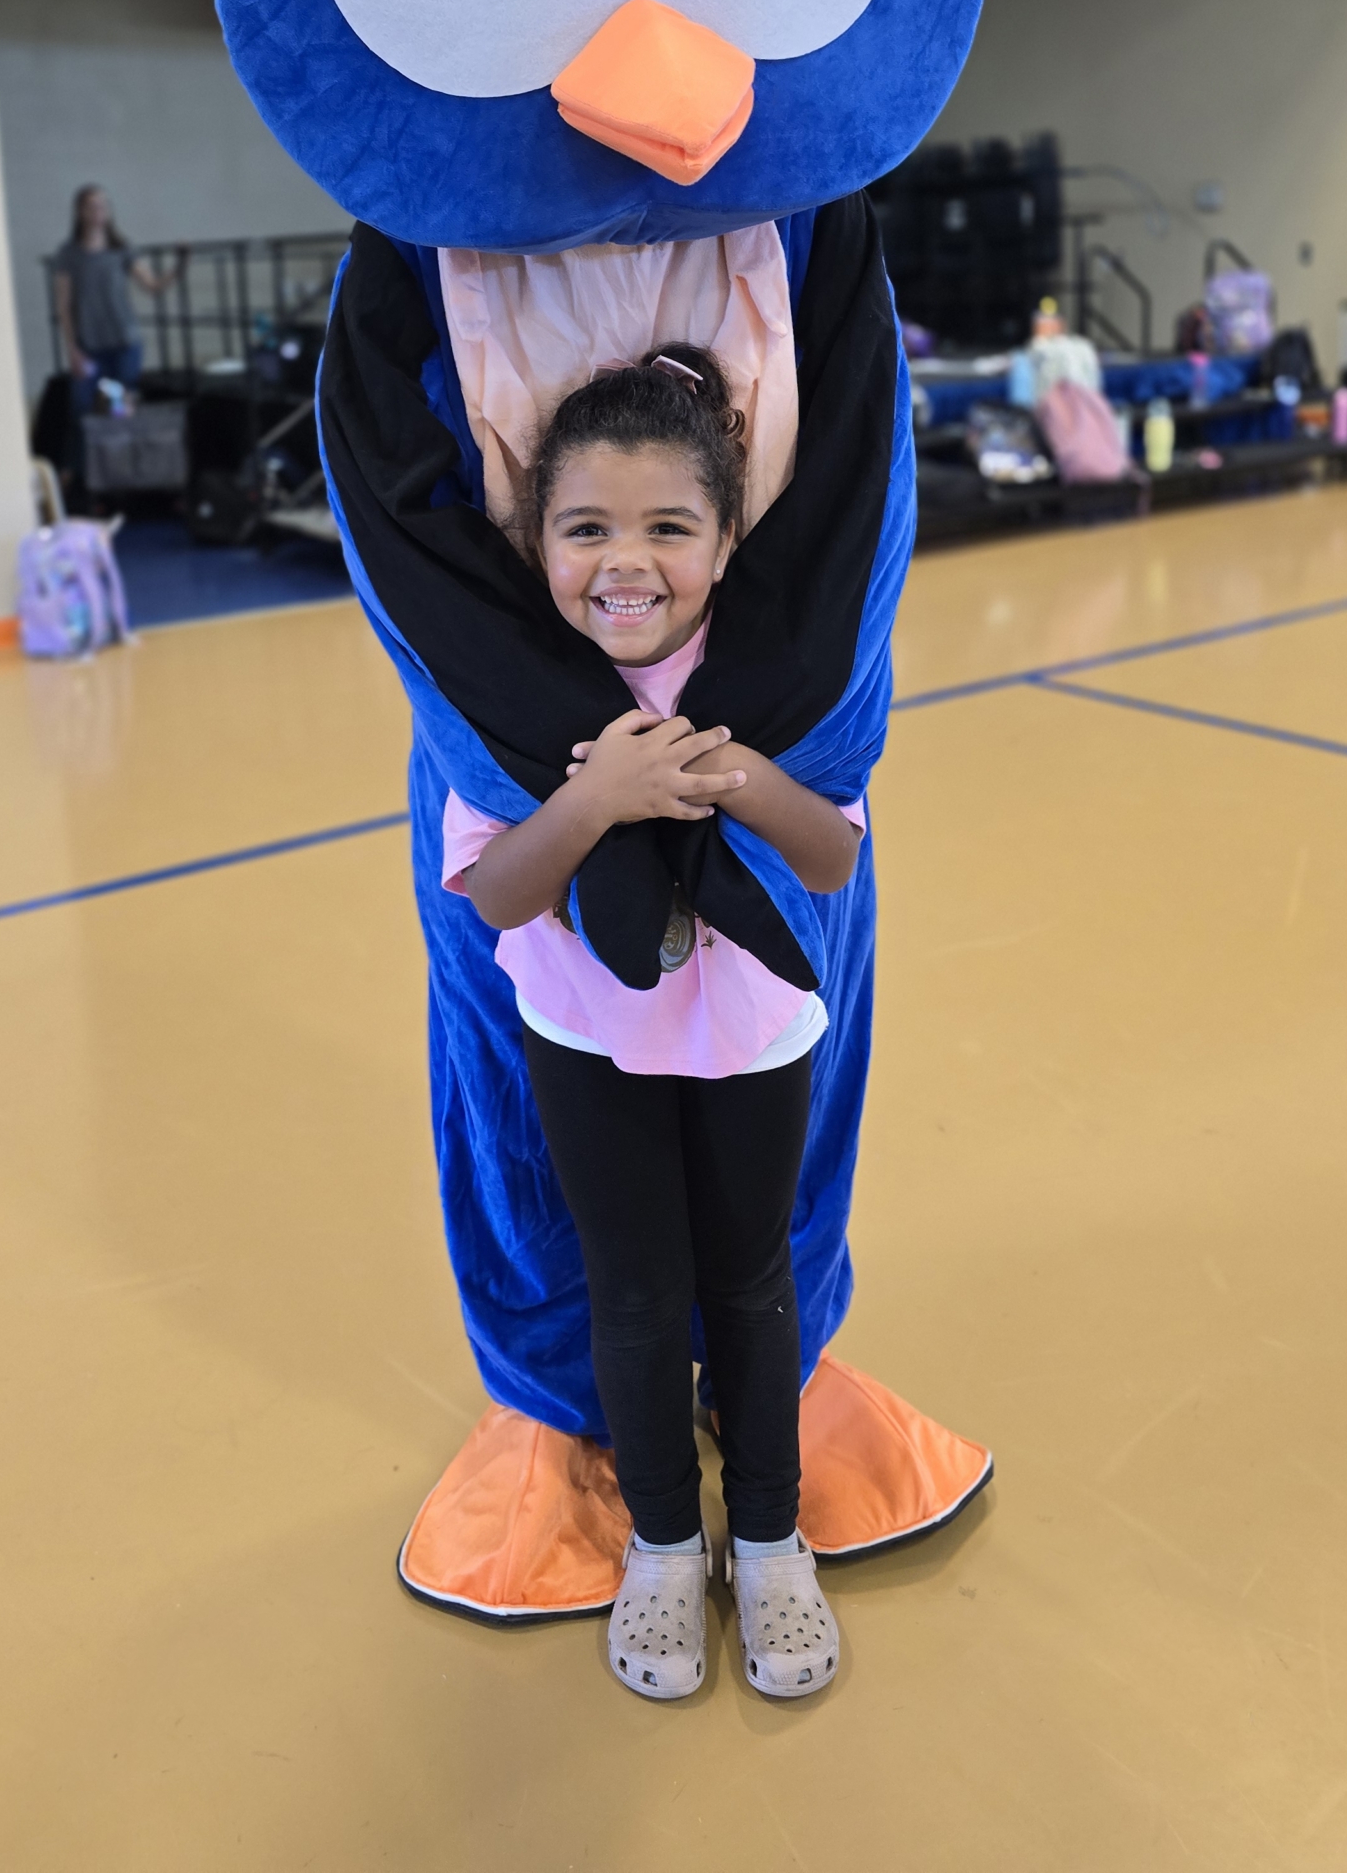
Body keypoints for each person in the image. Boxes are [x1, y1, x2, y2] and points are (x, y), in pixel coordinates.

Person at [442, 346, 865, 1703]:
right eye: (585, 529)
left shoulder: (775, 669)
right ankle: (666, 1549)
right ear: (535, 540)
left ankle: (773, 1538)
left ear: (729, 537)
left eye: (670, 527)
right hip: (586, 1034)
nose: (626, 563)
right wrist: (598, 800)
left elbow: (831, 861)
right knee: (629, 1289)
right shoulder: (515, 692)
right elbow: (499, 894)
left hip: (749, 1034)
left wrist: (730, 771)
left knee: (749, 1279)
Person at [50, 185, 183, 407]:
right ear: (80, 211)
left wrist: (179, 266)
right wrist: (72, 349)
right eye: (92, 207)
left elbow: (151, 285)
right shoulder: (69, 254)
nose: (98, 212)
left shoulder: (120, 248)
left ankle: (121, 440)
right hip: (89, 347)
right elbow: (64, 305)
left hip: (124, 341)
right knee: (83, 403)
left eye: (103, 206)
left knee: (120, 402)